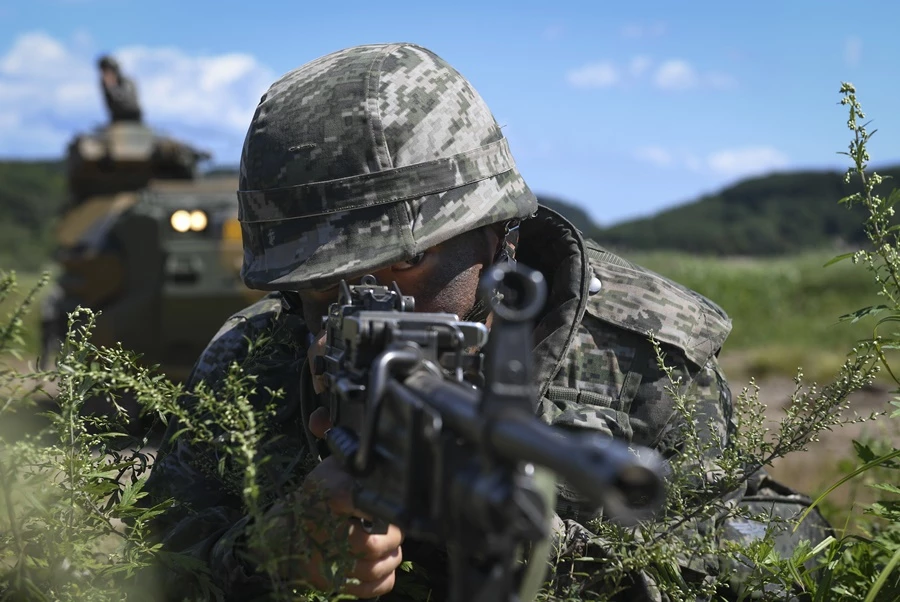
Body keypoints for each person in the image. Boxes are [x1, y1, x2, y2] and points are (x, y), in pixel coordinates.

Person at [142, 43, 827, 601]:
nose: (363, 306)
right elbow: (148, 564)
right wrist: (267, 558)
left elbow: (781, 561)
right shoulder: (251, 358)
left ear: (497, 235)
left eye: (405, 263)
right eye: (320, 285)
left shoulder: (644, 352)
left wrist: (537, 551)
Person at [97, 55, 143, 123]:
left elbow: (128, 102)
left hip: (133, 116)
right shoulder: (105, 83)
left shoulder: (127, 82)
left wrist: (112, 87)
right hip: (116, 117)